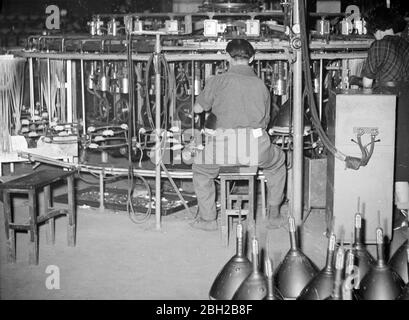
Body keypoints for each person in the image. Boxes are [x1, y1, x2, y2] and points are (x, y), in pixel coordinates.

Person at [190, 39, 287, 231]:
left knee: (200, 170)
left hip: (222, 149)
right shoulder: (261, 85)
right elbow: (266, 120)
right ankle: (274, 213)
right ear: (252, 58)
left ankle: (208, 219)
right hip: (256, 147)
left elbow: (197, 108)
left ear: (227, 57)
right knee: (278, 162)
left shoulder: (217, 81)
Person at [361, 7, 409, 183]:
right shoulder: (405, 44)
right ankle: (403, 204)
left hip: (386, 102)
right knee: (403, 154)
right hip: (406, 103)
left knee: (384, 150)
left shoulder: (380, 44)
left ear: (378, 30)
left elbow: (367, 84)